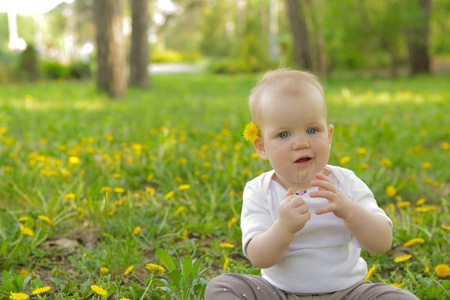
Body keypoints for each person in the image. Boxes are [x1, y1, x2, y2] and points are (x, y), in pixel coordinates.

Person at [205, 69, 418, 300]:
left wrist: (349, 211)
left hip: (348, 292)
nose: (301, 143)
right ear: (261, 147)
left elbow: (382, 242)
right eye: (284, 134)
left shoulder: (345, 183)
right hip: (279, 293)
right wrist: (283, 228)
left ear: (329, 136)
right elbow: (259, 257)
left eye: (312, 130)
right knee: (222, 287)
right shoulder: (260, 190)